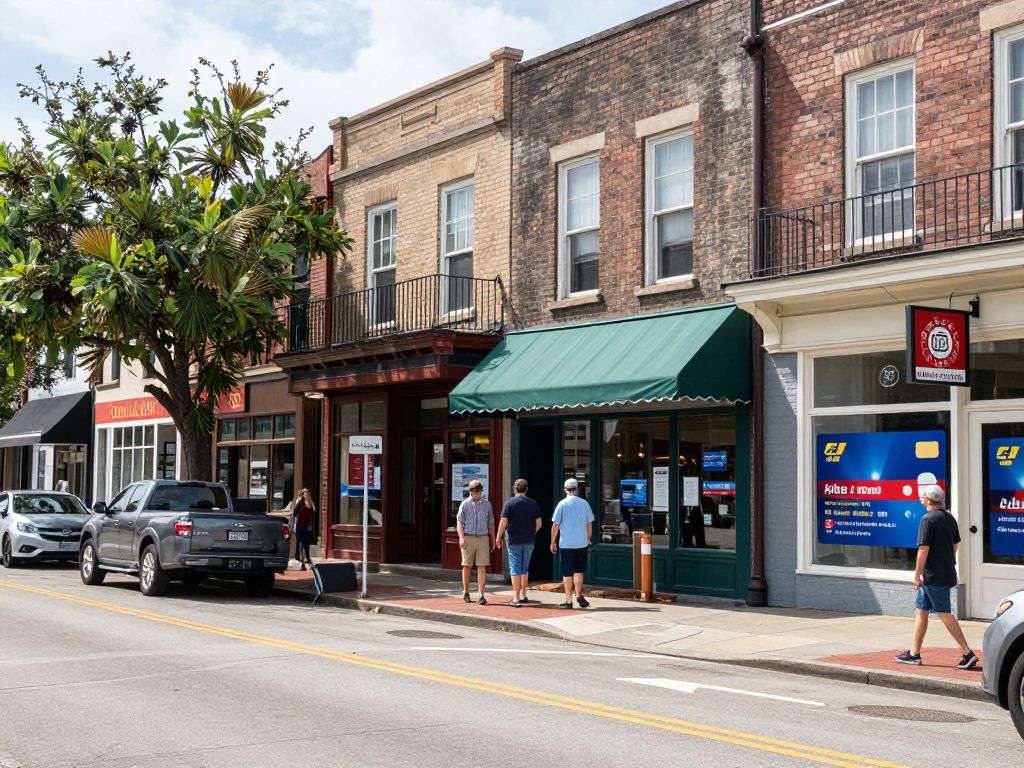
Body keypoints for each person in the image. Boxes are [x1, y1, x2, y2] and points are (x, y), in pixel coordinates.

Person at [894, 485, 977, 670]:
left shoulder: (927, 519)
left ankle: (967, 653)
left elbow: (923, 550)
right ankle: (914, 653)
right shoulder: (950, 518)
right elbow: (956, 544)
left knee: (944, 613)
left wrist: (916, 575)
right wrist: (946, 559)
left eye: (923, 498)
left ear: (927, 500)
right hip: (943, 573)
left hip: (933, 575)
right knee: (921, 611)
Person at [495, 478, 543, 607]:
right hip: (529, 540)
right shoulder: (533, 503)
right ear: (526, 489)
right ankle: (524, 594)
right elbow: (539, 523)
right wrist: (532, 532)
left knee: (515, 567)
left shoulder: (509, 503)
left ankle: (516, 597)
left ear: (514, 489)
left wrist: (498, 537)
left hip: (513, 540)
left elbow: (503, 522)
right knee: (524, 567)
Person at [550, 478, 594, 610]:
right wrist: (589, 538)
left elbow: (555, 525)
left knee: (567, 573)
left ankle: (568, 601)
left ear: (565, 490)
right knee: (579, 571)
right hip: (581, 543)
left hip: (566, 544)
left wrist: (552, 541)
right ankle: (579, 595)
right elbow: (589, 523)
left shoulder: (562, 504)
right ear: (577, 489)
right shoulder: (584, 503)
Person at [457, 480, 494, 605]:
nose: (477, 493)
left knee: (481, 566)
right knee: (467, 565)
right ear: (471, 491)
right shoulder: (465, 504)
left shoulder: (487, 504)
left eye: (479, 490)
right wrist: (461, 538)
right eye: (475, 490)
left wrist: (493, 538)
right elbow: (460, 522)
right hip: (468, 537)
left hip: (483, 537)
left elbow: (491, 523)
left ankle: (481, 595)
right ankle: (466, 592)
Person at [290, 488, 316, 571]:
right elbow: (294, 512)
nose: (306, 494)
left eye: (307, 493)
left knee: (306, 543)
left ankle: (306, 557)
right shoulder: (301, 503)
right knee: (300, 542)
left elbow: (314, 509)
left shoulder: (310, 503)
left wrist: (310, 499)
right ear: (303, 495)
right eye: (305, 493)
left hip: (306, 526)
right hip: (299, 526)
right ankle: (298, 557)